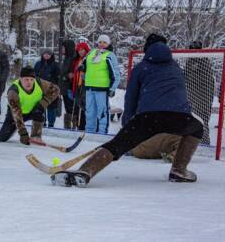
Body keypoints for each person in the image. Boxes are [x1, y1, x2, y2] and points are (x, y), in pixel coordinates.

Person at [51, 34, 203, 187]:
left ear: (147, 49)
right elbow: (181, 93)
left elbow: (131, 98)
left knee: (116, 145)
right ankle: (179, 170)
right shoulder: (175, 67)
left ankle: (85, 172)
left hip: (148, 117)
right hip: (179, 115)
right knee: (197, 128)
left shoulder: (141, 67)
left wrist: (127, 124)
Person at [0, 66, 60, 144]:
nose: (29, 82)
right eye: (26, 79)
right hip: (17, 114)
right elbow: (17, 114)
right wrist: (23, 133)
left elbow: (56, 89)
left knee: (39, 110)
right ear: (20, 79)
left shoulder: (40, 83)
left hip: (34, 111)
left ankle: (36, 136)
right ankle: (14, 128)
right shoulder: (13, 91)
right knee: (2, 138)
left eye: (31, 80)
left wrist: (43, 103)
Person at [78, 35, 120, 134]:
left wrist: (113, 88)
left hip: (102, 88)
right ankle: (89, 132)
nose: (102, 44)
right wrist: (82, 69)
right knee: (89, 112)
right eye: (100, 42)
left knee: (102, 112)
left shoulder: (110, 55)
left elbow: (116, 73)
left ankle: (102, 133)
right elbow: (84, 65)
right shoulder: (91, 53)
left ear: (108, 44)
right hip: (89, 87)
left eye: (104, 42)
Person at [184, 41, 214, 145]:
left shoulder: (202, 61)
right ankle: (195, 142)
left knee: (201, 122)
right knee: (196, 122)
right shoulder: (193, 61)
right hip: (195, 99)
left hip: (200, 99)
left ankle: (204, 143)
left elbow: (207, 83)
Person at [34, 48, 60, 127]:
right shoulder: (38, 64)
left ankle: (51, 124)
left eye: (48, 54)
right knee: (41, 106)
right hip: (40, 88)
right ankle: (42, 122)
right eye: (45, 54)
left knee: (51, 108)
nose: (46, 55)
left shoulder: (55, 65)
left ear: (51, 55)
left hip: (52, 89)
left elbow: (58, 77)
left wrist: (58, 89)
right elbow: (34, 75)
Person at [70, 42, 91, 130]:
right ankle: (79, 125)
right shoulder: (77, 60)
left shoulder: (89, 59)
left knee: (85, 107)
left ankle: (86, 125)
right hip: (78, 86)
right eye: (79, 50)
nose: (81, 52)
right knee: (79, 106)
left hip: (85, 85)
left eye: (82, 50)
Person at [59, 40, 77, 129]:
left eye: (64, 47)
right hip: (65, 88)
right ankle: (67, 127)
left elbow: (73, 73)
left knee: (71, 108)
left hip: (70, 87)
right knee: (68, 108)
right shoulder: (66, 58)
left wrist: (66, 77)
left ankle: (73, 127)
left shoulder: (73, 58)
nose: (62, 49)